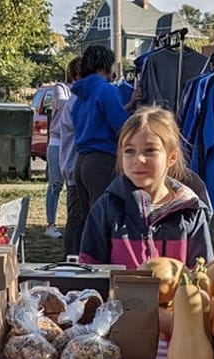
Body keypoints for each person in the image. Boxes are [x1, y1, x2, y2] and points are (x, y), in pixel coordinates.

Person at [78, 106, 214, 270]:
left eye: (150, 150)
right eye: (129, 151)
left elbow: (202, 274)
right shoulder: (106, 209)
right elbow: (89, 270)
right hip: (119, 296)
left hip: (177, 296)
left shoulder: (191, 212)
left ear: (172, 156)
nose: (139, 159)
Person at [71, 45, 129, 229]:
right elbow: (120, 126)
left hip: (81, 162)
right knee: (105, 219)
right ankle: (101, 258)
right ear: (105, 66)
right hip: (102, 160)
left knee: (90, 220)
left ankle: (86, 256)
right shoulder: (107, 91)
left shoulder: (81, 96)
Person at [56, 56, 84, 258]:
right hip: (74, 168)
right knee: (75, 217)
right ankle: (70, 259)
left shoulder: (77, 100)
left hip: (74, 167)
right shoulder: (75, 101)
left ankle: (73, 256)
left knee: (77, 216)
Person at [44, 69, 73, 239]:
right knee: (55, 184)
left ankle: (71, 221)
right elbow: (63, 103)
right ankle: (50, 224)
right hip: (58, 142)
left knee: (73, 186)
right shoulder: (60, 87)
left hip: (74, 141)